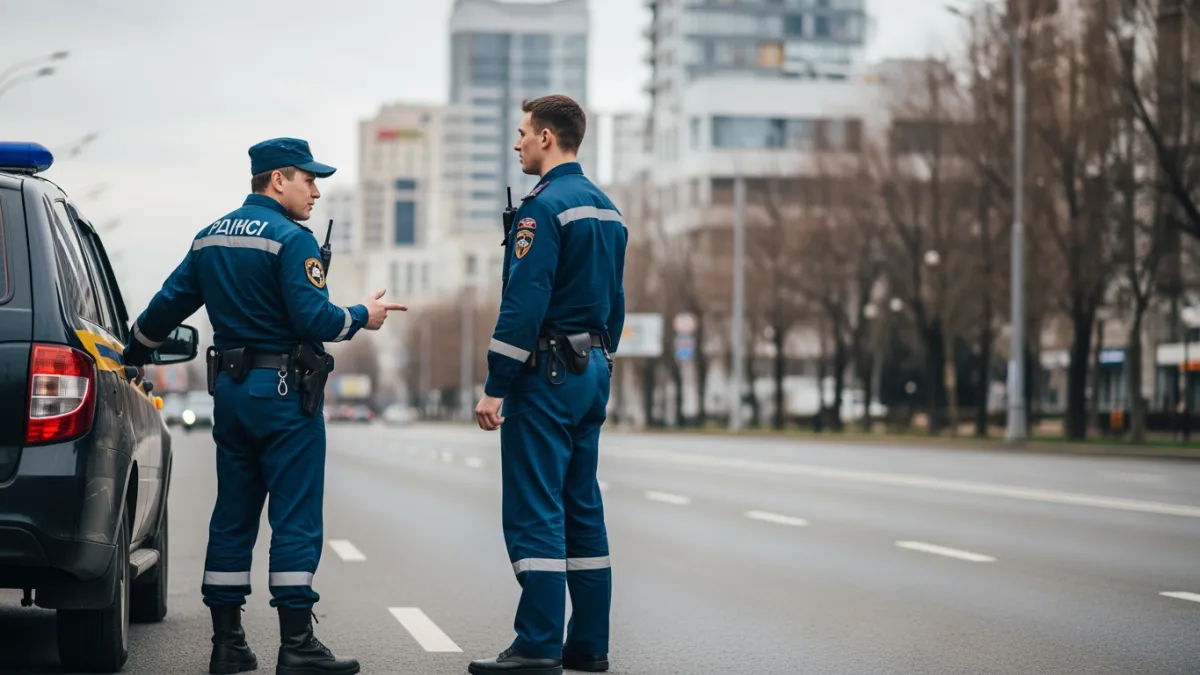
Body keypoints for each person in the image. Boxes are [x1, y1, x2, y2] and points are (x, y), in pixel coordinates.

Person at [121, 137, 407, 675]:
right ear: (278, 179)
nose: (316, 191)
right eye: (309, 179)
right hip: (284, 396)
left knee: (233, 514)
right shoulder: (290, 239)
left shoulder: (210, 238)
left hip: (230, 394)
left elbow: (164, 308)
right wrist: (361, 314)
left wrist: (131, 353)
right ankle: (297, 644)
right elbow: (315, 321)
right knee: (295, 516)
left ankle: (227, 644)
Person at [470, 95, 627, 675]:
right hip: (591, 373)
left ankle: (537, 644)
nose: (516, 143)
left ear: (546, 137)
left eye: (522, 133)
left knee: (537, 508)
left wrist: (496, 384)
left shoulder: (542, 210)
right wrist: (602, 358)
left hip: (548, 375)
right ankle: (588, 644)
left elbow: (524, 304)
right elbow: (615, 304)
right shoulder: (607, 209)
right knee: (581, 504)